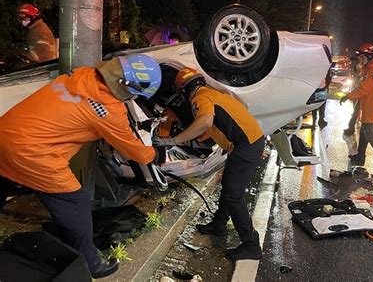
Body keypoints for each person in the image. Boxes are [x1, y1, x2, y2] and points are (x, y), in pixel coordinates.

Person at [0, 54, 162, 279]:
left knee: (6, 180)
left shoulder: (81, 75)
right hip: (32, 152)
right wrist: (155, 152)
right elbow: (136, 152)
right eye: (134, 93)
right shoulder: (108, 111)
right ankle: (90, 262)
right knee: (74, 201)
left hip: (6, 132)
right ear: (126, 86)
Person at [154, 67, 264, 261]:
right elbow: (233, 115)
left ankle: (251, 245)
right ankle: (219, 225)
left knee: (233, 196)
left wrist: (174, 140)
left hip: (246, 145)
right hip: (246, 142)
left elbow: (205, 122)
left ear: (184, 89)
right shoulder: (214, 94)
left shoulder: (200, 99)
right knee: (229, 188)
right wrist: (227, 142)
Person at [340, 43, 373, 166]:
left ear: (370, 57)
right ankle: (360, 158)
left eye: (362, 58)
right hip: (367, 106)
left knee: (371, 136)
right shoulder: (369, 68)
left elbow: (364, 89)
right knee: (365, 134)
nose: (360, 60)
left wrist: (348, 96)